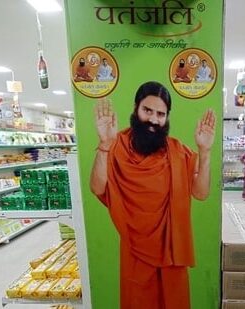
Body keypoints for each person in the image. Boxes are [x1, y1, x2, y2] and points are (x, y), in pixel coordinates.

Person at [90, 81, 215, 309]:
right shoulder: (116, 146)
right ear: (136, 108)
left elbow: (201, 192)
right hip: (135, 253)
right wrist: (104, 144)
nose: (154, 120)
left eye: (161, 114)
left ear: (167, 117)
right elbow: (98, 187)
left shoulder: (178, 152)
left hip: (171, 253)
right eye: (148, 110)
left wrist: (205, 152)